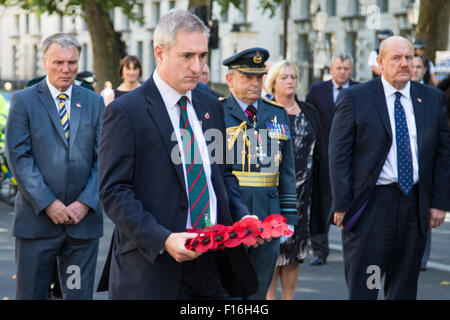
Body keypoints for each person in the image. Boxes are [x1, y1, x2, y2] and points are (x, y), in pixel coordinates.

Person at [96, 9, 258, 300]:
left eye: (203, 56)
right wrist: (164, 239)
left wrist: (242, 217)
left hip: (212, 262)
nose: (197, 66)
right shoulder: (125, 111)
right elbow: (114, 192)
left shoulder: (211, 107)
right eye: (187, 56)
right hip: (153, 264)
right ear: (160, 53)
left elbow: (223, 176)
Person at [329, 36, 450, 299]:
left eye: (409, 58)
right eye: (397, 58)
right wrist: (342, 204)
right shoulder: (356, 98)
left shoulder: (431, 99)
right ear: (381, 62)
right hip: (372, 207)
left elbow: (442, 153)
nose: (404, 63)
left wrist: (439, 203)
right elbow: (339, 155)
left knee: (404, 286)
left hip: (413, 205)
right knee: (368, 284)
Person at [5, 33, 104, 300]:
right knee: (32, 294)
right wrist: (49, 202)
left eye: (72, 62)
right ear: (44, 61)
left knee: (75, 294)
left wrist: (84, 203)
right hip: (38, 224)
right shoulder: (24, 101)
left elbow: (103, 158)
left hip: (80, 227)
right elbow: (19, 157)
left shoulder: (94, 102)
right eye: (58, 62)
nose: (66, 69)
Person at [221, 48, 297, 300]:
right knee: (227, 288)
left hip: (269, 214)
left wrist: (288, 218)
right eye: (247, 77)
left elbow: (286, 170)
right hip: (230, 214)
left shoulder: (275, 112)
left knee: (258, 289)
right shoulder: (215, 112)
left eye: (259, 77)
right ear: (230, 79)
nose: (255, 84)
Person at [264, 60, 330, 300]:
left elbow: (320, 151)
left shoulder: (308, 111)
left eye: (293, 77)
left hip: (303, 197)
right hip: (271, 195)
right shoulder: (264, 111)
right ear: (273, 82)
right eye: (284, 77)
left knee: (295, 252)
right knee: (271, 251)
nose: (290, 81)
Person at [305, 53, 358, 265]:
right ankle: (319, 249)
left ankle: (352, 250)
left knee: (349, 202)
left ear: (351, 70)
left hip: (351, 156)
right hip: (322, 154)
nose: (342, 72)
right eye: (339, 68)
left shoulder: (359, 91)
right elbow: (308, 117)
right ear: (331, 68)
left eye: (346, 68)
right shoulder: (317, 91)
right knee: (322, 201)